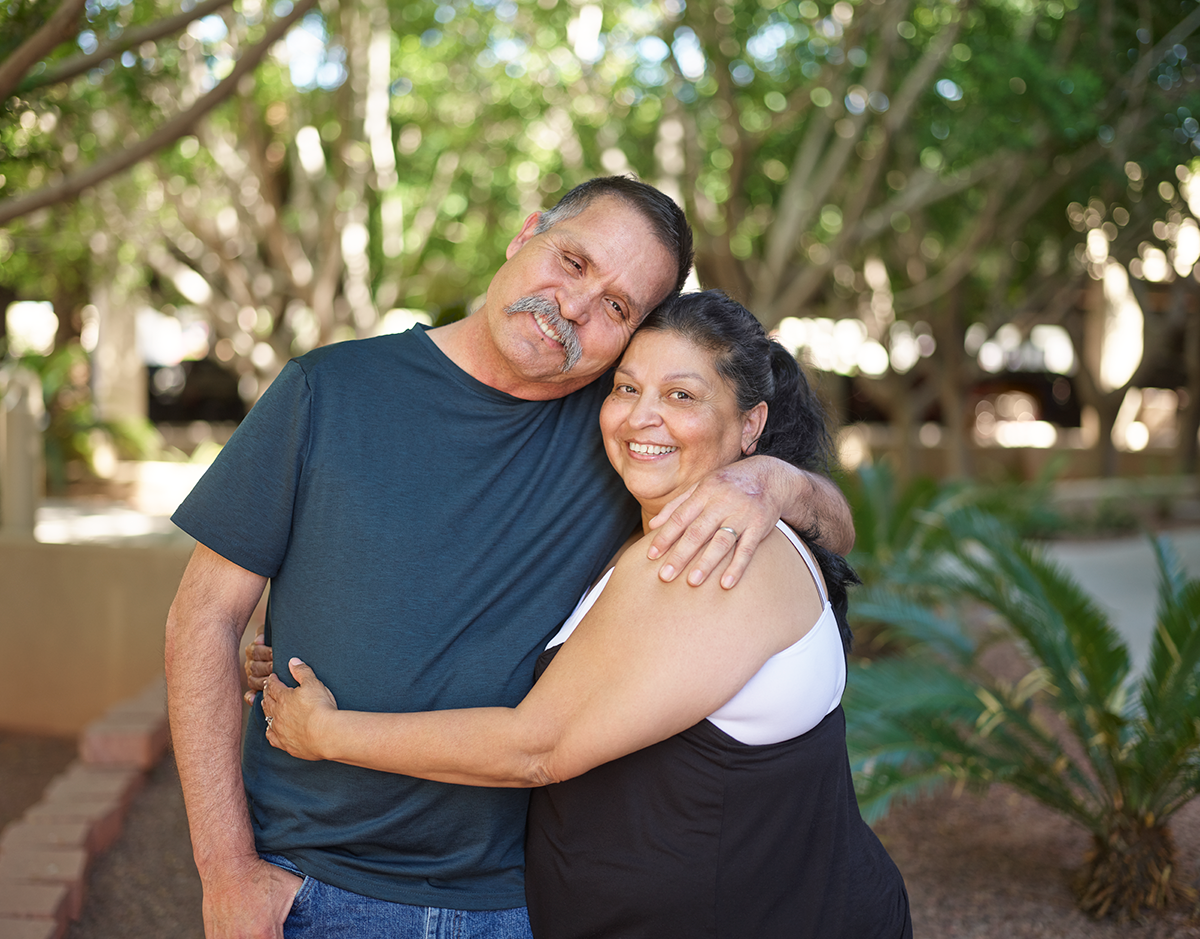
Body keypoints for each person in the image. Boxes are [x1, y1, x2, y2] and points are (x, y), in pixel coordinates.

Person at [165, 177, 855, 939]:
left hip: (524, 901)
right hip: (315, 883)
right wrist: (226, 871)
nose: (574, 306)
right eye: (573, 260)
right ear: (525, 233)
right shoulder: (327, 390)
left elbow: (831, 535)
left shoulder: (624, 434)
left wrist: (774, 480)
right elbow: (203, 618)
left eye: (618, 307)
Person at [258, 290, 911, 939]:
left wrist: (326, 734)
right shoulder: (662, 530)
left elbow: (538, 746)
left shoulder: (721, 556)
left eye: (681, 396)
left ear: (750, 424)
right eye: (627, 388)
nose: (642, 417)